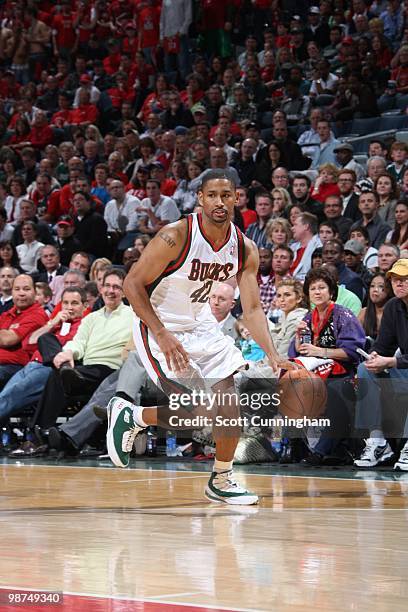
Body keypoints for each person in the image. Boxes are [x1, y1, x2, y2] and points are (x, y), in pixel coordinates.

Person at [106, 169, 296, 506]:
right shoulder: (175, 236)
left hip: (202, 324)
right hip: (160, 324)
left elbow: (252, 309)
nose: (220, 202)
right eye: (212, 195)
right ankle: (132, 416)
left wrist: (273, 355)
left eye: (227, 195)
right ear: (200, 199)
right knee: (199, 413)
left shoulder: (244, 248)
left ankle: (221, 479)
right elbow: (132, 285)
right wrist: (161, 333)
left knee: (227, 407)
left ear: (237, 198)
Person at [289, 267, 366, 465]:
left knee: (334, 391)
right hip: (315, 369)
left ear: (331, 291)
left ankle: (321, 450)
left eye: (322, 287)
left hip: (343, 372)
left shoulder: (343, 315)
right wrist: (299, 339)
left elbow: (352, 352)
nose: (317, 292)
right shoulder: (308, 318)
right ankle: (296, 446)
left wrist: (320, 351)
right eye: (313, 288)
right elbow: (297, 352)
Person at [0, 287, 87, 440]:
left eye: (74, 303)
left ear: (84, 306)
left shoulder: (84, 325)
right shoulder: (57, 324)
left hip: (48, 368)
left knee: (10, 397)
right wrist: (52, 323)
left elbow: (66, 347)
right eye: (65, 303)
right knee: (5, 397)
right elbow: (30, 342)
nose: (69, 308)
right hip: (31, 365)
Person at [354, 259, 408, 470]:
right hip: (403, 370)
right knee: (364, 370)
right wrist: (375, 357)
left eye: (404, 280)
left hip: (403, 367)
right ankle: (378, 443)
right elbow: (384, 346)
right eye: (395, 280)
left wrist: (392, 361)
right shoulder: (393, 306)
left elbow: (392, 358)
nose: (399, 284)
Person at [358, 273, 394, 345]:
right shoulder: (364, 312)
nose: (375, 290)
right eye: (372, 286)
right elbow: (353, 337)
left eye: (380, 286)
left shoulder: (395, 314)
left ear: (390, 289)